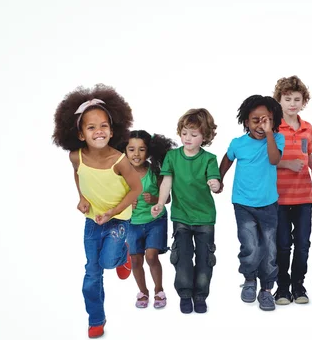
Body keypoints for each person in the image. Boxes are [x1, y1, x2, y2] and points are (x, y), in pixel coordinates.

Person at [52, 84, 142, 338]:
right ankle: (96, 319)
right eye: (91, 127)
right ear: (81, 135)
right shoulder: (75, 157)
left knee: (107, 261)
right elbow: (77, 174)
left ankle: (123, 254)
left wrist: (114, 212)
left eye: (103, 126)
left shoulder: (119, 160)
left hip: (118, 219)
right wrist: (81, 198)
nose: (98, 131)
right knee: (92, 271)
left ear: (112, 131)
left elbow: (135, 189)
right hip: (93, 221)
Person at [219, 95, 285, 311]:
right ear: (246, 121)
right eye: (255, 119)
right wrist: (219, 179)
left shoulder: (277, 139)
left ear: (273, 122)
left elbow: (275, 160)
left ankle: (266, 289)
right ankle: (249, 279)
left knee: (269, 247)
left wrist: (269, 134)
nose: (260, 124)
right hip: (243, 203)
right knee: (250, 245)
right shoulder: (238, 143)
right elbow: (227, 159)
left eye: (266, 120)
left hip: (268, 203)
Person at [152, 109, 220, 314]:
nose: (188, 138)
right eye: (184, 133)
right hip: (181, 217)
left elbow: (215, 181)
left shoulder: (209, 159)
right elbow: (166, 183)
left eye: (194, 134)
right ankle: (184, 294)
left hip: (205, 218)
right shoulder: (172, 157)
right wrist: (160, 203)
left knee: (204, 259)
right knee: (182, 257)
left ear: (205, 136)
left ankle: (200, 296)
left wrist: (214, 184)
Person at [272, 75, 312, 305]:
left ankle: (298, 287)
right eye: (287, 98)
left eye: (297, 99)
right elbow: (267, 159)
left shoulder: (307, 128)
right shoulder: (273, 127)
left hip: (304, 196)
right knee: (282, 245)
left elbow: (307, 154)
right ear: (279, 100)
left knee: (302, 244)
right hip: (278, 197)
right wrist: (287, 164)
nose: (292, 103)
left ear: (303, 102)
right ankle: (281, 288)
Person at [122, 130, 177, 309]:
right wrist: (127, 204)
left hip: (155, 221)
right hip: (132, 224)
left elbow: (167, 199)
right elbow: (115, 199)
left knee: (151, 256)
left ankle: (159, 289)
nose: (136, 154)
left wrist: (154, 200)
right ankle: (143, 292)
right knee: (136, 259)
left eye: (141, 150)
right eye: (131, 149)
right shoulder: (120, 174)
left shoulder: (155, 172)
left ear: (149, 151)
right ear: (124, 151)